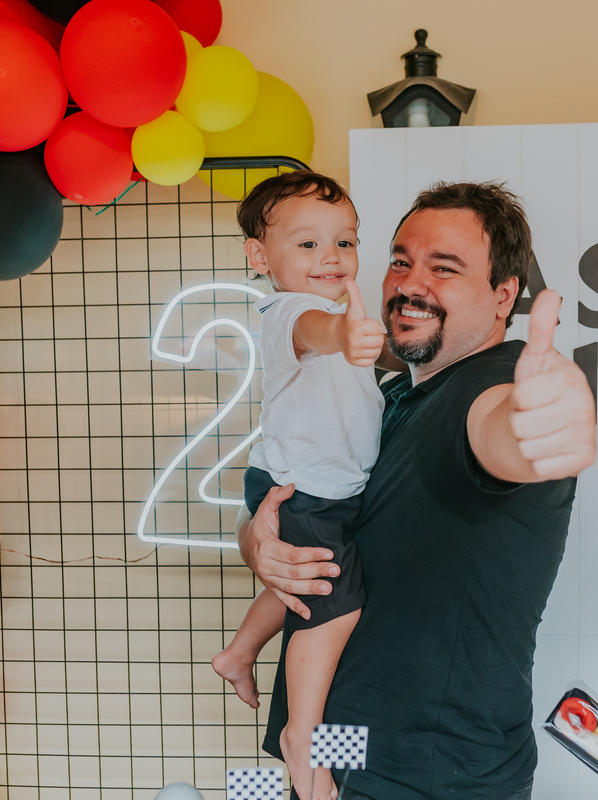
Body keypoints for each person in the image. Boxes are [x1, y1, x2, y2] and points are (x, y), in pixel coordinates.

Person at [238, 182, 597, 800]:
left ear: (503, 296)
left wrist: (539, 427)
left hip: (433, 772)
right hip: (339, 752)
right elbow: (322, 514)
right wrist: (258, 545)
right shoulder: (390, 395)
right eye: (400, 261)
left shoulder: (492, 388)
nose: (409, 283)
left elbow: (501, 435)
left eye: (445, 268)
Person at [210, 171, 389, 800]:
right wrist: (345, 335)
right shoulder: (295, 312)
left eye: (345, 242)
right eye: (308, 244)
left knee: (307, 590)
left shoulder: (344, 319)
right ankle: (299, 742)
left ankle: (239, 653)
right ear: (260, 258)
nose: (332, 257)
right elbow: (314, 332)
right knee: (328, 602)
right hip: (303, 491)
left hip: (317, 493)